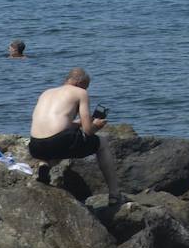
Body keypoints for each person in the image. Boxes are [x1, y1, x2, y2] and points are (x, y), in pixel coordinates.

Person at [28, 67, 121, 202]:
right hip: (58, 142)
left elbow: (56, 124)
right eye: (86, 87)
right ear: (79, 83)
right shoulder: (80, 92)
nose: (86, 90)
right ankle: (114, 194)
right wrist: (97, 126)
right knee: (102, 143)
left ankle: (45, 165)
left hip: (35, 147)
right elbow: (88, 131)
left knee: (56, 142)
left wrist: (77, 123)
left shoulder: (46, 93)